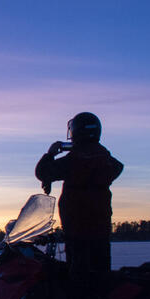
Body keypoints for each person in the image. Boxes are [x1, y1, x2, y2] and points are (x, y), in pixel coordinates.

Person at [35, 112, 123, 275]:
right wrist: (101, 152)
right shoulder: (105, 160)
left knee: (78, 279)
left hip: (77, 231)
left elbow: (42, 172)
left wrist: (50, 154)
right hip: (101, 231)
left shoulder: (73, 161)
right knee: (100, 275)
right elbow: (117, 167)